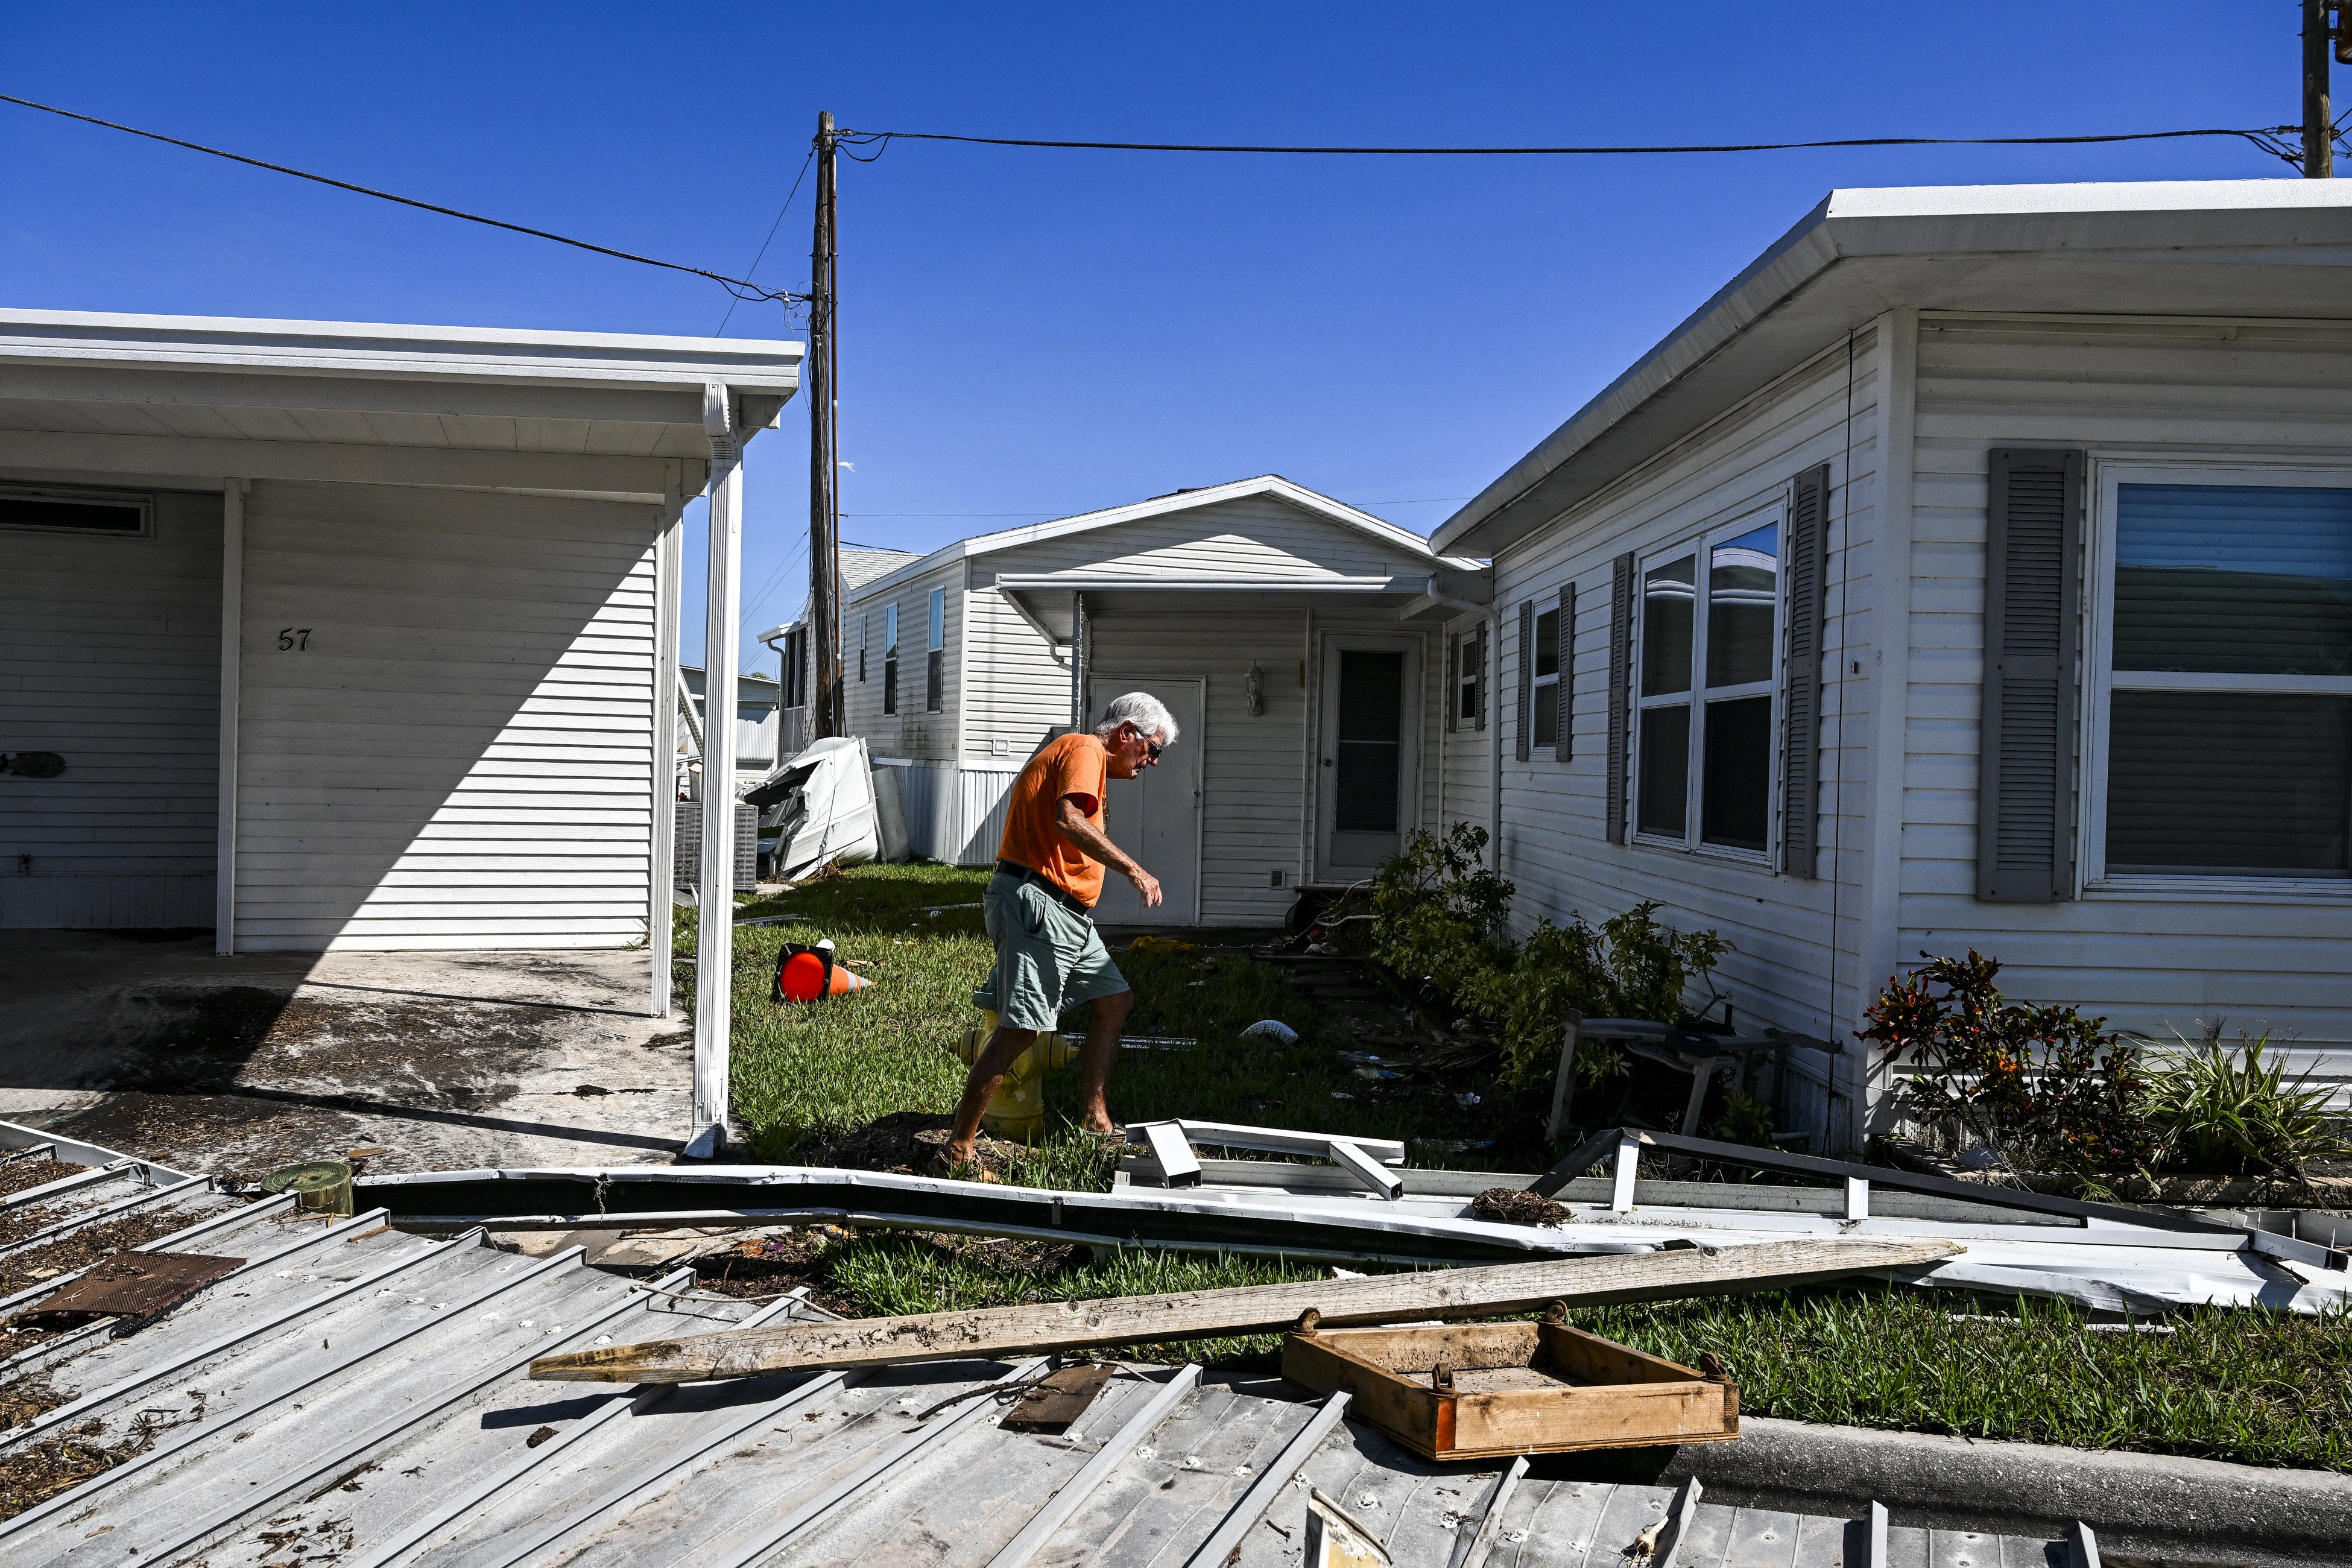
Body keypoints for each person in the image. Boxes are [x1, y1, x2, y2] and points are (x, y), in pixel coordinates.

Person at [938, 692, 1178, 1176]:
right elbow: (1068, 819)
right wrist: (1136, 871)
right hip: (1039, 903)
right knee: (1022, 1029)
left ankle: (1094, 1116)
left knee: (1115, 1001)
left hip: (1068, 915)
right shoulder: (1086, 749)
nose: (1152, 761)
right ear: (1127, 732)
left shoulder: (1086, 760)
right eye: (1153, 749)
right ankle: (959, 1150)